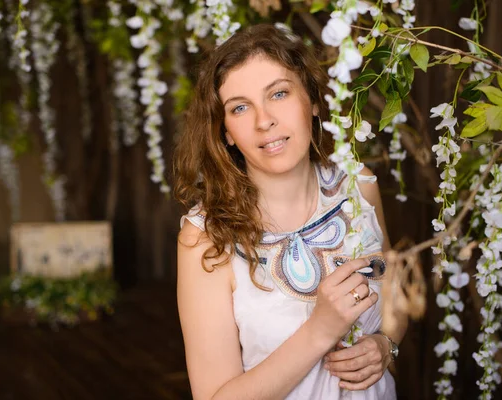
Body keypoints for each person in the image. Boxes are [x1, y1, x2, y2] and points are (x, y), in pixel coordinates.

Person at [174, 23, 407, 400]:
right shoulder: (205, 237)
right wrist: (320, 330)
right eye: (240, 107)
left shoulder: (358, 186)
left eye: (279, 93)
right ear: (226, 132)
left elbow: (395, 292)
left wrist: (386, 344)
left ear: (313, 101)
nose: (264, 120)